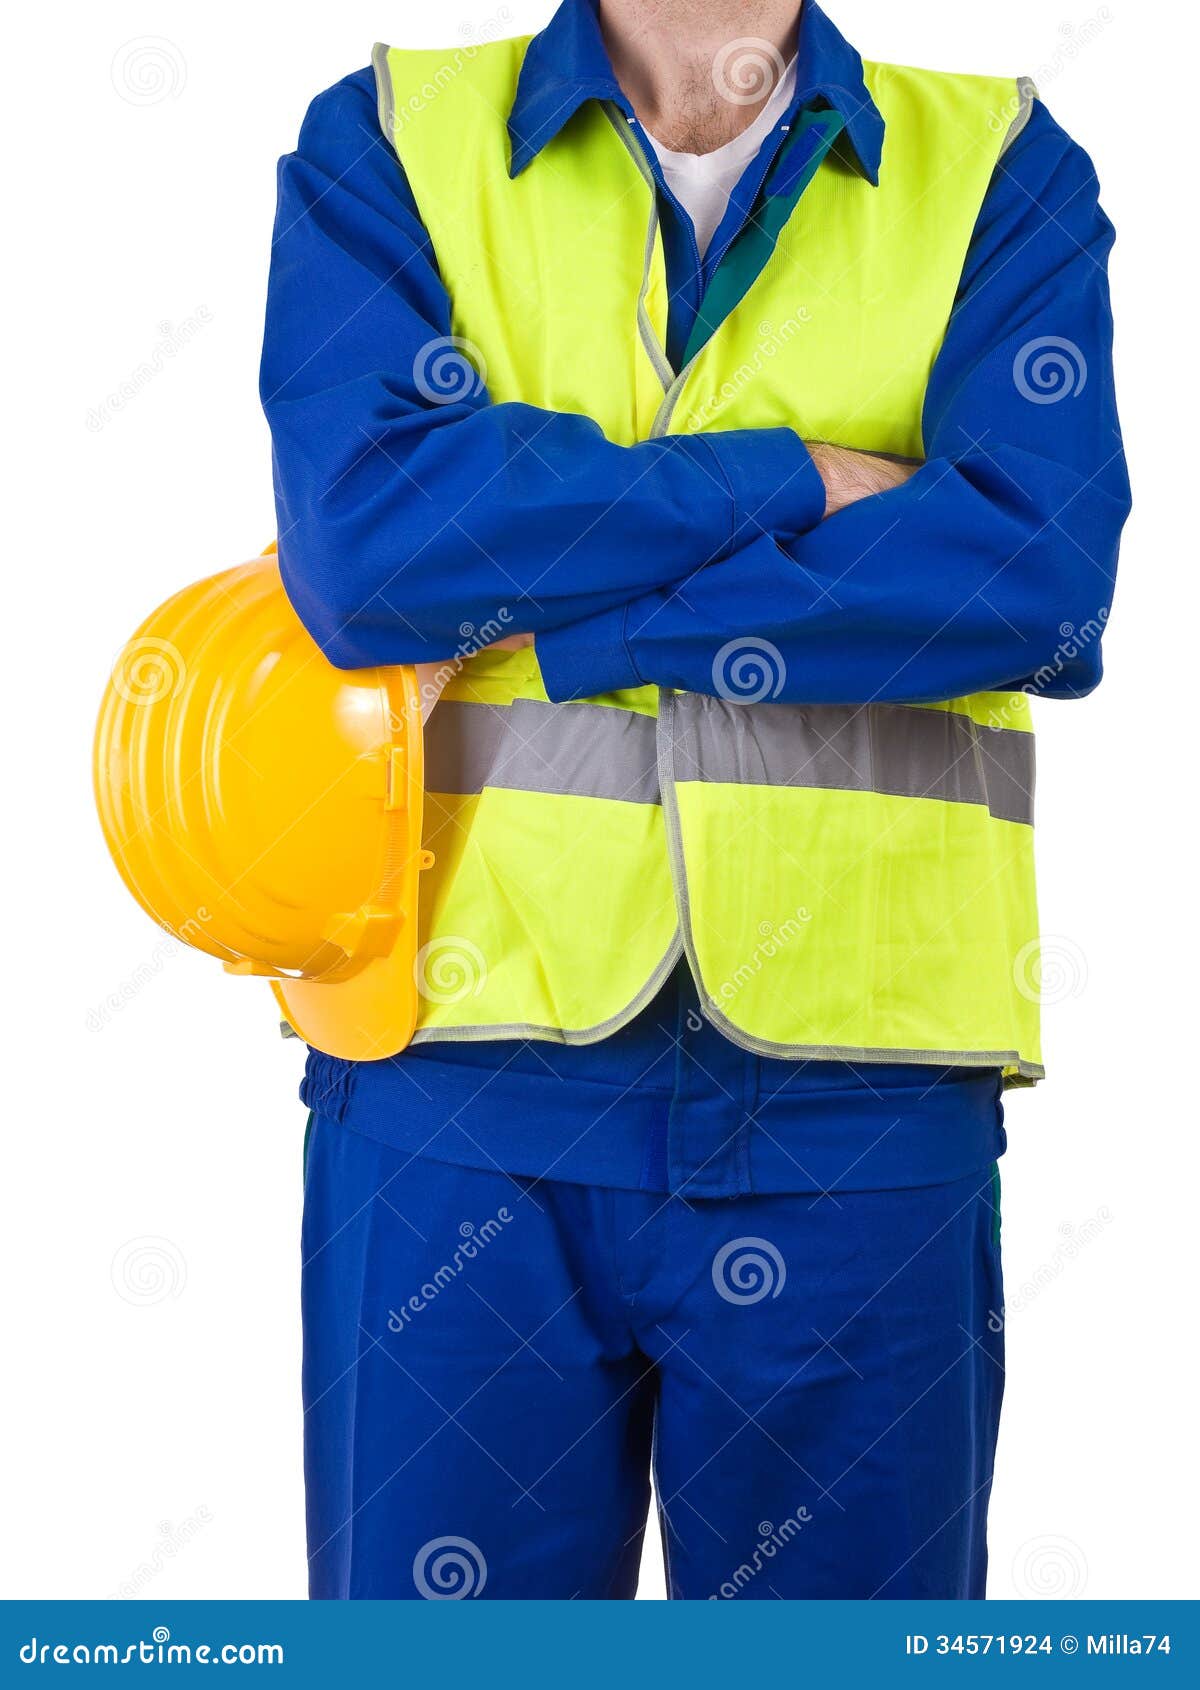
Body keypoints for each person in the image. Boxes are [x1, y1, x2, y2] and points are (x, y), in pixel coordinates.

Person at [261, 0, 1129, 1599]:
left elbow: (1036, 581)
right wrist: (789, 476)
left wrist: (581, 619)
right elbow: (373, 554)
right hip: (463, 1078)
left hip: (858, 1102)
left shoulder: (995, 163)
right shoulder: (390, 138)